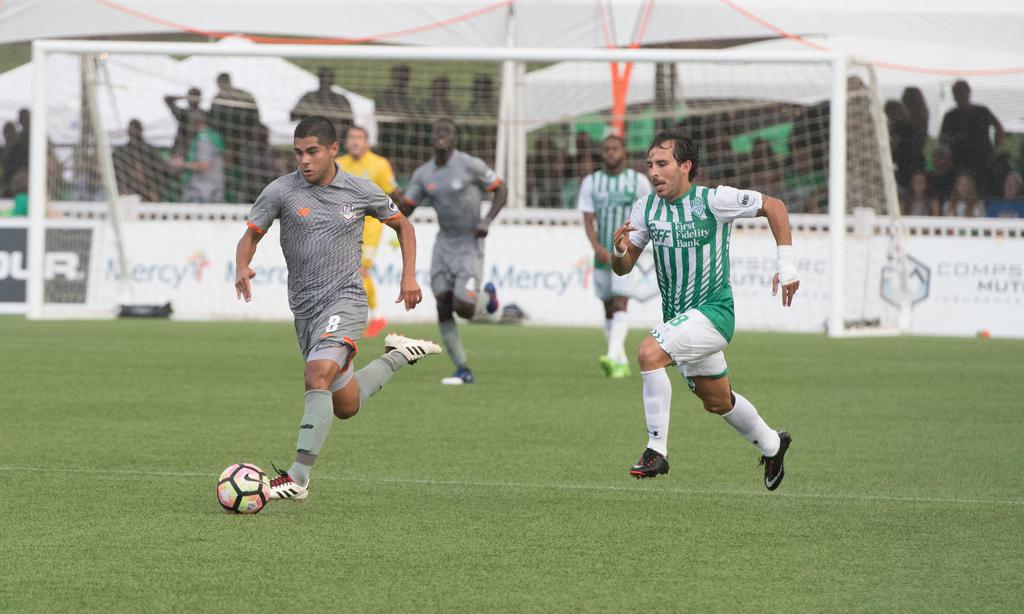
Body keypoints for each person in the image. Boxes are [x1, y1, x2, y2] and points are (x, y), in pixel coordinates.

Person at [235, 115, 441, 501]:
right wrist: (242, 266)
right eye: (298, 152)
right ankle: (398, 355)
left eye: (312, 151)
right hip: (306, 312)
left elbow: (404, 226)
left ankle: (297, 478)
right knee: (346, 405)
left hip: (346, 300)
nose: (304, 160)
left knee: (316, 375)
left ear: (333, 149)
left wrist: (409, 277)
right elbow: (250, 235)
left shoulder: (360, 190)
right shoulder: (281, 191)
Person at [610, 130, 796, 489]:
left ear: (685, 166)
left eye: (662, 164)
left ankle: (656, 449)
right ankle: (773, 444)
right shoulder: (645, 208)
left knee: (648, 353)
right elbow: (624, 266)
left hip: (714, 314)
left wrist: (786, 266)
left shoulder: (715, 200)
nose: (653, 172)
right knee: (718, 402)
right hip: (680, 321)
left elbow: (774, 206)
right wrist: (619, 251)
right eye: (650, 165)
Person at [403, 118, 508, 385]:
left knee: (464, 308)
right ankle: (462, 368)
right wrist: (390, 198)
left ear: (454, 138)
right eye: (437, 131)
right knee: (442, 303)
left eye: (446, 132)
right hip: (444, 244)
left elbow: (501, 188)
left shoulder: (471, 165)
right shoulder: (424, 174)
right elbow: (407, 209)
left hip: (469, 244)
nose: (441, 135)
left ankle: (488, 299)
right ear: (430, 138)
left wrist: (487, 221)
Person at [577, 135, 652, 378]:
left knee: (621, 302)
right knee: (608, 307)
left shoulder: (638, 182)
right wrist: (596, 247)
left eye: (615, 148)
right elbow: (588, 219)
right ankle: (620, 362)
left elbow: (647, 213)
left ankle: (611, 356)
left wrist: (633, 244)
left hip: (626, 252)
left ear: (624, 152)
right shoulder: (591, 182)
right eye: (606, 149)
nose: (610, 153)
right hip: (601, 254)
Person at [336, 125, 404, 337]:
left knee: (361, 271)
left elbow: (394, 193)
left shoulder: (380, 164)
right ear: (346, 142)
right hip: (345, 226)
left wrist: (401, 224)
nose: (355, 141)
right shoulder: (338, 164)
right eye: (351, 137)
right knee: (348, 272)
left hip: (371, 226)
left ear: (367, 142)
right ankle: (367, 316)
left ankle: (375, 317)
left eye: (360, 137)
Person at [939, 80, 1004, 195]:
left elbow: (998, 127)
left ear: (968, 92)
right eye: (956, 93)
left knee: (983, 192)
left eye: (961, 92)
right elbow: (942, 139)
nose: (959, 96)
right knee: (961, 192)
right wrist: (949, 146)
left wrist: (995, 149)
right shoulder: (950, 116)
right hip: (959, 162)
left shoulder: (982, 111)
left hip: (982, 161)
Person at [169, 111, 224, 203]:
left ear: (194, 122)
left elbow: (205, 166)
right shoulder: (213, 135)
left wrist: (182, 164)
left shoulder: (204, 139)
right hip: (210, 188)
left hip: (205, 191)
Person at [290, 67, 353, 142]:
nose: (325, 81)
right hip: (311, 138)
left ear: (332, 81)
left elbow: (350, 122)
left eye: (328, 79)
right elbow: (293, 116)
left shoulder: (341, 100)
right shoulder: (309, 97)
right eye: (323, 78)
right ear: (319, 80)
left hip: (336, 139)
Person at [113, 119, 168, 202]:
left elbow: (160, 172)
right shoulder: (121, 152)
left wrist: (153, 188)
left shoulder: (150, 151)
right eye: (132, 129)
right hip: (128, 189)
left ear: (141, 130)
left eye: (136, 129)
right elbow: (116, 172)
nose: (134, 132)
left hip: (148, 190)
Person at [164, 86, 203, 157]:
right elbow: (167, 99)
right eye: (191, 96)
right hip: (182, 148)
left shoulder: (204, 114)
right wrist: (184, 97)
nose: (193, 99)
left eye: (195, 96)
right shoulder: (182, 114)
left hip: (198, 148)